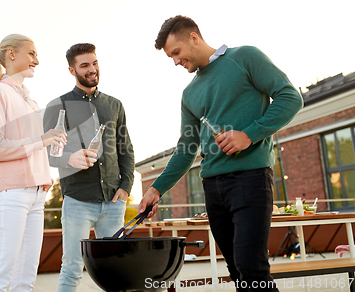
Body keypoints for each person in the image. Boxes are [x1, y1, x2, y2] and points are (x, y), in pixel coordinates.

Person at [138, 16, 303, 291]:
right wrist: (155, 190)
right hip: (213, 188)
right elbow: (187, 148)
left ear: (194, 37)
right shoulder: (189, 93)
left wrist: (248, 135)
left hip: (250, 180)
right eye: (170, 57)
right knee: (237, 272)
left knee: (252, 269)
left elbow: (290, 97)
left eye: (176, 53)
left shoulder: (244, 57)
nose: (175, 62)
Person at [0, 34, 66, 292]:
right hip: (9, 195)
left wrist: (44, 174)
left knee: (25, 281)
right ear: (11, 54)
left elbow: (31, 147)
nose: (37, 60)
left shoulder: (30, 100)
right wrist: (41, 139)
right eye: (32, 53)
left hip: (36, 196)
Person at [43, 43, 135, 292]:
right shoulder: (57, 106)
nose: (92, 69)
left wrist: (125, 187)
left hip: (114, 202)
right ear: (72, 70)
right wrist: (69, 158)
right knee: (72, 269)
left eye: (94, 63)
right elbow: (48, 155)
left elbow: (125, 149)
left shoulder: (115, 105)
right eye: (85, 65)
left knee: (116, 270)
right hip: (77, 202)